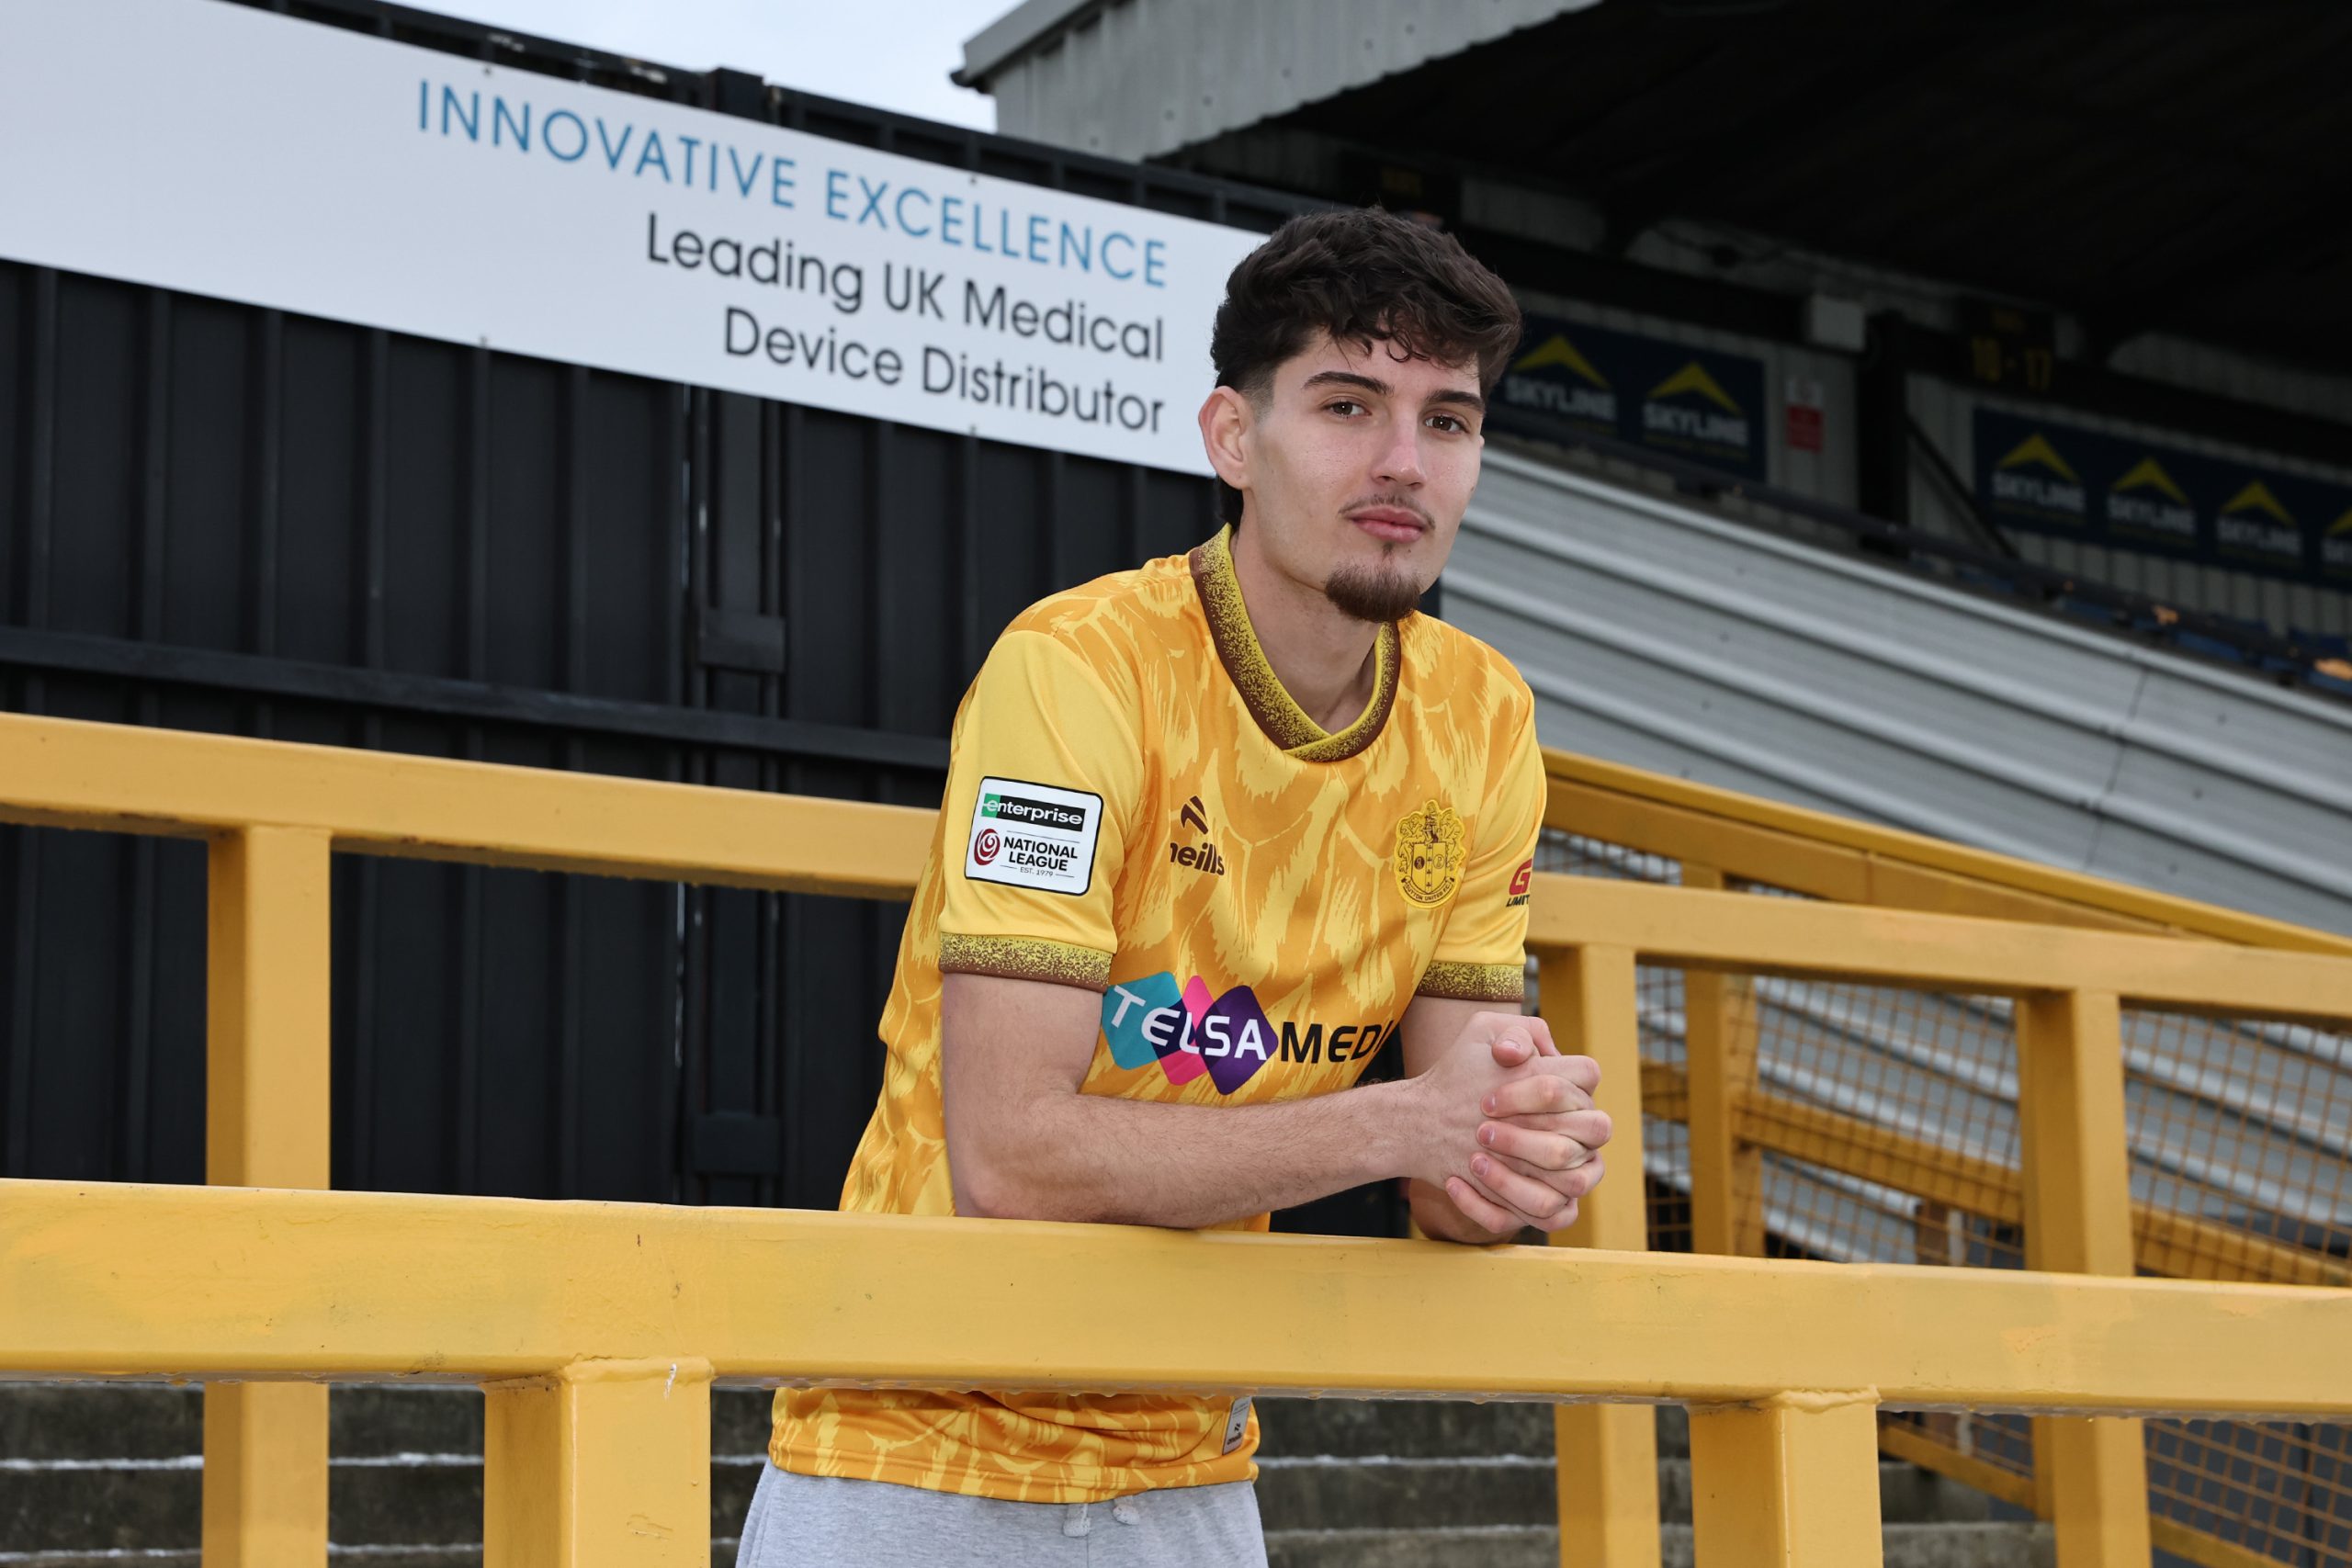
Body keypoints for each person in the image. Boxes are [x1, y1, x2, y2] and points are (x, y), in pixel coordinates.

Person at [736, 207, 1613, 1568]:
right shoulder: (1077, 668)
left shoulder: (1486, 717)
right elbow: (1012, 1157)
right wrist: (1407, 1127)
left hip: (1193, 1461)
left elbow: (1458, 1177)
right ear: (1231, 438)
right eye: (1347, 405)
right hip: (911, 1448)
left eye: (1447, 420)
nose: (1403, 460)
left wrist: (1524, 1153)